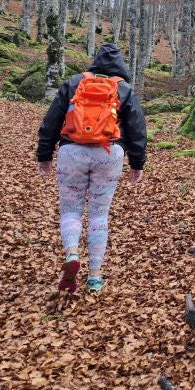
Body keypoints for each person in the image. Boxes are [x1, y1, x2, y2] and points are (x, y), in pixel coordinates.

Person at [36, 43, 147, 292]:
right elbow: (137, 129)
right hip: (109, 153)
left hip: (71, 152)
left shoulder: (75, 82)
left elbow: (51, 120)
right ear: (121, 65)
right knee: (99, 214)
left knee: (71, 210)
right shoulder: (124, 89)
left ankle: (72, 255)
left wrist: (44, 155)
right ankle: (95, 276)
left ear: (95, 61)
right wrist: (137, 163)